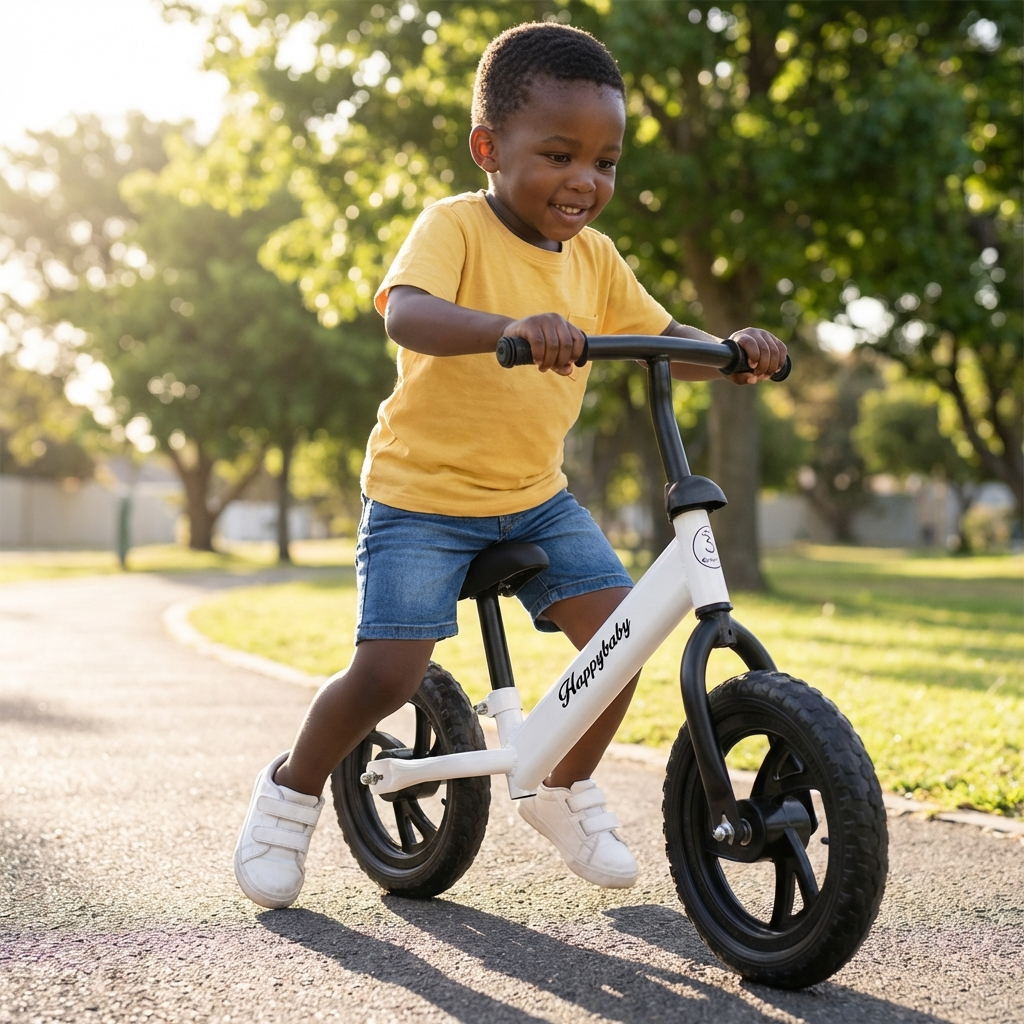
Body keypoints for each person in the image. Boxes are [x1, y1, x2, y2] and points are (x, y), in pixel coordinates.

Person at [234, 21, 786, 909]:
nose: (585, 182)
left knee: (622, 640)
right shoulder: (453, 226)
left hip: (534, 500)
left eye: (605, 162)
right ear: (489, 148)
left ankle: (560, 787)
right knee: (389, 676)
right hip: (421, 497)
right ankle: (291, 790)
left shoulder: (595, 257)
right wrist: (507, 329)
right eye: (559, 154)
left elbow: (661, 341)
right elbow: (406, 315)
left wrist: (728, 347)